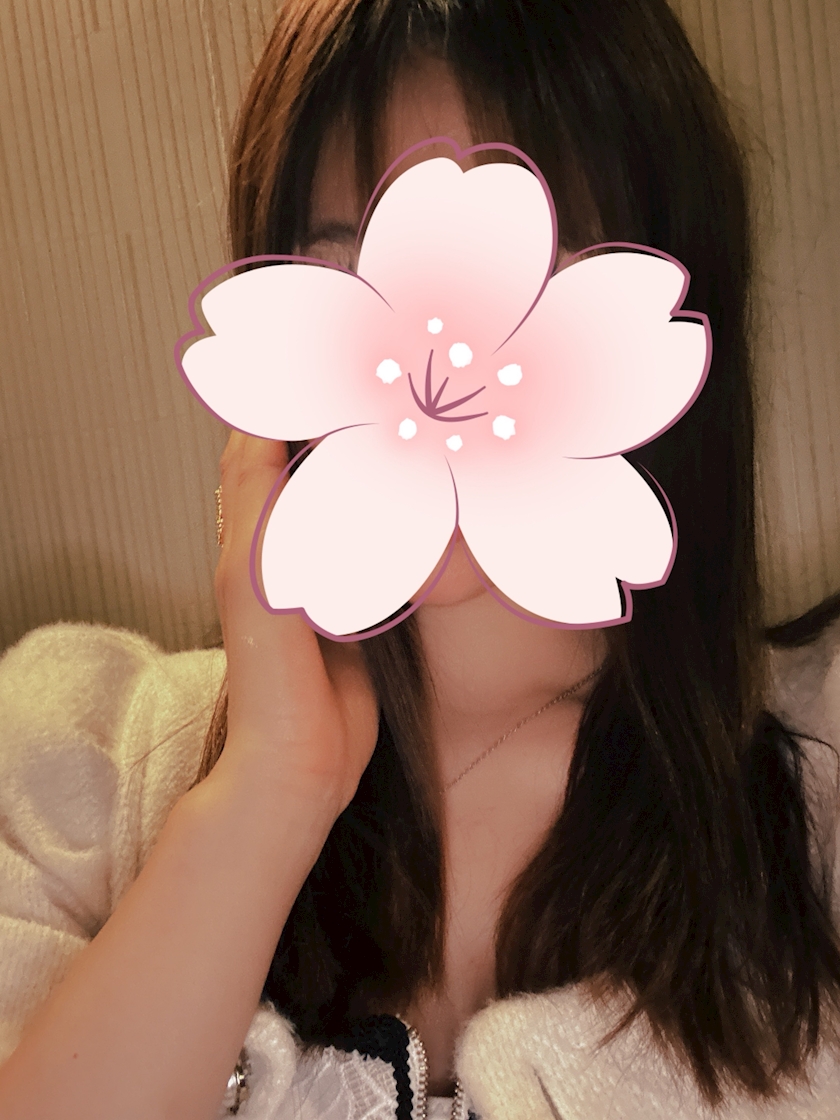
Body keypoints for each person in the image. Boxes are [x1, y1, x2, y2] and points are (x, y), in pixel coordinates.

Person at [0, 1, 839, 1117]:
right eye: (351, 266)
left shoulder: (815, 794)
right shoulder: (76, 771)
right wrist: (270, 791)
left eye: (527, 268)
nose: (446, 379)